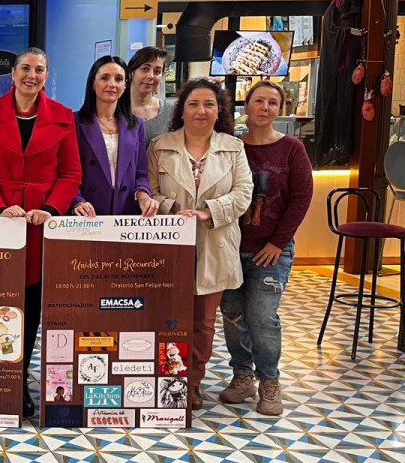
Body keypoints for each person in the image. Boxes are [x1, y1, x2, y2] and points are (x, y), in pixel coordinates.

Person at [0, 47, 81, 419]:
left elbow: (70, 174)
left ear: (46, 76)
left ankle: (17, 380)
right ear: (13, 74)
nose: (31, 75)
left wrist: (50, 209)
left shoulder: (64, 117)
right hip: (1, 225)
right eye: (25, 68)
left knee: (31, 306)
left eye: (39, 69)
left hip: (41, 228)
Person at [147, 78, 253, 410]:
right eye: (193, 104)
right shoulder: (160, 146)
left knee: (204, 323)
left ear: (219, 110)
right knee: (167, 317)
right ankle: (165, 378)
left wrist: (209, 212)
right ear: (182, 109)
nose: (201, 111)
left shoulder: (233, 148)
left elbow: (243, 194)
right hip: (168, 245)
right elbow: (148, 191)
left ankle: (191, 382)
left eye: (209, 104)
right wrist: (173, 210)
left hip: (215, 244)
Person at [219, 81, 312, 416]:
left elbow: (302, 199)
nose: (265, 107)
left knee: (262, 316)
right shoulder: (231, 147)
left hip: (271, 251)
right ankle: (242, 376)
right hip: (229, 249)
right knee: (232, 314)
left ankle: (269, 382)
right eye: (259, 100)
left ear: (281, 109)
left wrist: (278, 243)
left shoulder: (291, 149)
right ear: (247, 105)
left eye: (273, 102)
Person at [71, 55, 158, 217]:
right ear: (93, 83)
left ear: (125, 85)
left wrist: (143, 195)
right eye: (104, 78)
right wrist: (77, 200)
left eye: (119, 79)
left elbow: (140, 173)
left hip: (124, 214)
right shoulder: (73, 121)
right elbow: (67, 172)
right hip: (85, 214)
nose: (112, 84)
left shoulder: (136, 125)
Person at [128, 47, 175, 145]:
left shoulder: (170, 112)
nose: (150, 76)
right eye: (145, 69)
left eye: (157, 71)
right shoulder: (115, 109)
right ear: (132, 72)